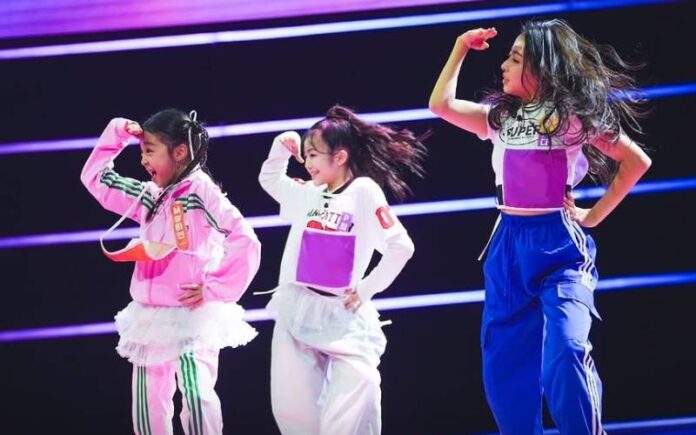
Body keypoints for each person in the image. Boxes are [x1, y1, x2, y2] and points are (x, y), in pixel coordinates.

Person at [429, 19, 652, 434]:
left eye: (515, 58)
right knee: (504, 369)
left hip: (560, 247)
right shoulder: (500, 118)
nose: (503, 65)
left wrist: (595, 215)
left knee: (566, 350)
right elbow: (441, 105)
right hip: (507, 246)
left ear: (542, 68)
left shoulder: (573, 118)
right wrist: (460, 47)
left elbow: (636, 160)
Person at [81, 108, 261, 435]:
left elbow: (245, 240)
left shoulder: (201, 191)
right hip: (149, 315)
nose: (143, 160)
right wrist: (117, 134)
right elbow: (96, 178)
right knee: (148, 402)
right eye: (142, 152)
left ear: (179, 152)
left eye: (149, 151)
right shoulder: (150, 197)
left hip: (191, 313)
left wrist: (215, 288)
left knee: (196, 394)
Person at [259, 104, 427, 434]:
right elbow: (270, 180)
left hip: (343, 318)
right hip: (298, 311)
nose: (307, 163)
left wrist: (366, 289)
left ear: (340, 157)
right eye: (306, 155)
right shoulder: (310, 193)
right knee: (294, 415)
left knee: (355, 403)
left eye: (314, 155)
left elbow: (401, 246)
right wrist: (281, 146)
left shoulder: (363, 191)